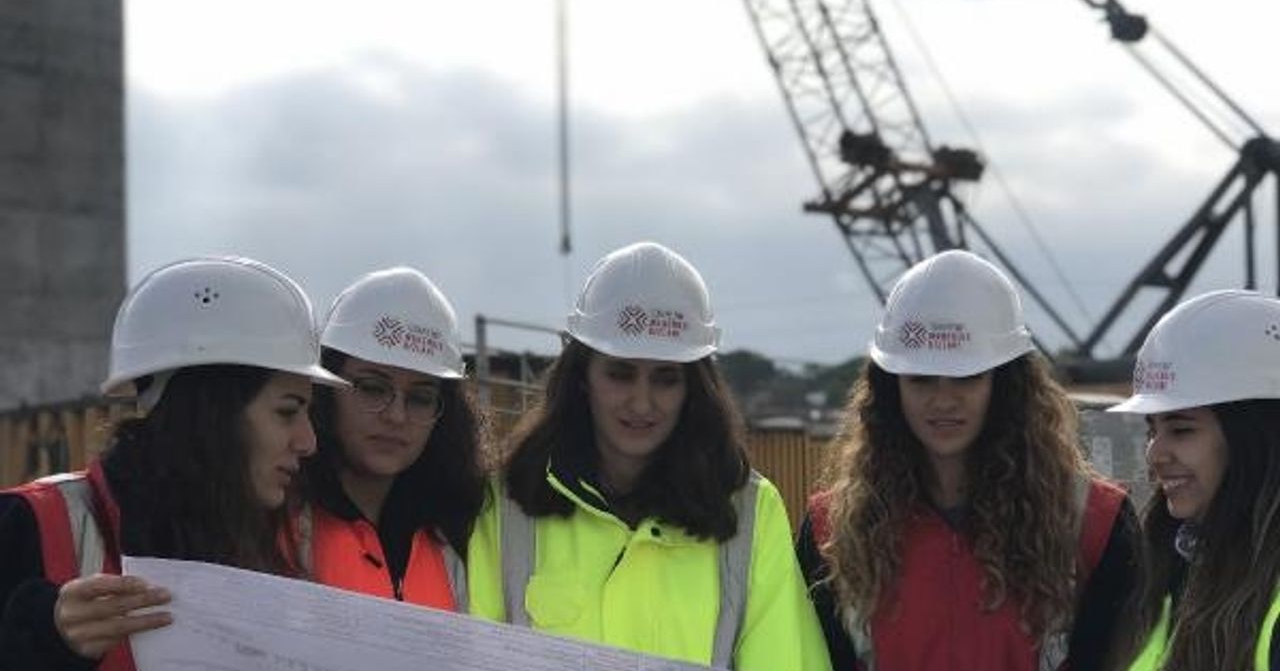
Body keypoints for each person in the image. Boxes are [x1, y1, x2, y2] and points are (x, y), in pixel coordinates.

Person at [468, 241, 830, 671]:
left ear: (693, 387)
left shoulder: (751, 511)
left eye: (665, 378)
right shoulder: (505, 506)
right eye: (620, 374)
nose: (642, 403)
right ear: (582, 377)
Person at [796, 249, 1137, 671]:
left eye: (965, 377)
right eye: (921, 379)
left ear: (1005, 383)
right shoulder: (831, 533)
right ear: (890, 388)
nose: (943, 400)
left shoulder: (1095, 523)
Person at [0, 256, 345, 671]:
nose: (308, 442)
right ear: (211, 414)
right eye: (287, 412)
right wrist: (40, 641)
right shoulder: (29, 523)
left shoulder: (289, 543)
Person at [291, 267, 486, 610]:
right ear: (324, 389)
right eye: (372, 388)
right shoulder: (278, 523)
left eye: (420, 398)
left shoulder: (462, 538)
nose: (396, 416)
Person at [1105, 290, 1280, 671]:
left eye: (1181, 430)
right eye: (1152, 430)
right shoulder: (1173, 573)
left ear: (1256, 439)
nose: (1154, 454)